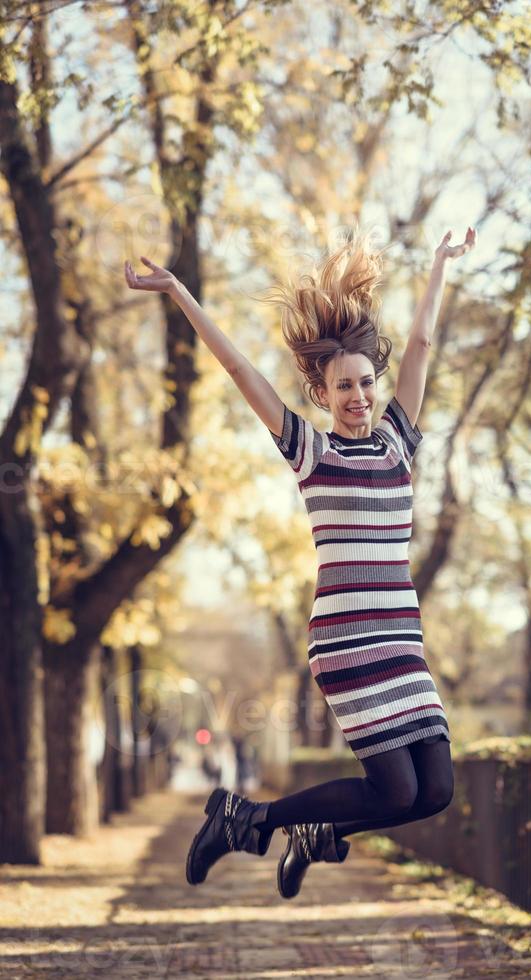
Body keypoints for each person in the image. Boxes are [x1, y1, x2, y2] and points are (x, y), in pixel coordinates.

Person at [124, 224, 476, 899]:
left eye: (366, 383)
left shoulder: (399, 443)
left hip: (402, 642)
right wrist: (177, 291)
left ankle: (314, 833)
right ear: (322, 391)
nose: (358, 397)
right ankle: (248, 820)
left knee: (434, 791)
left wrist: (438, 266)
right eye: (342, 387)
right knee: (394, 786)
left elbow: (424, 344)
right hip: (347, 644)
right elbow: (238, 370)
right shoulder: (313, 453)